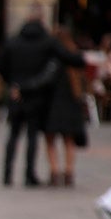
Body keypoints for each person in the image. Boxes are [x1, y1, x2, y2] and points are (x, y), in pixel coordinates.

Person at [0, 4, 67, 187]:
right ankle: (29, 175)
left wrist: (12, 84)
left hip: (15, 93)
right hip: (36, 95)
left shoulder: (13, 41)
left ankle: (7, 174)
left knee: (13, 135)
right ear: (42, 20)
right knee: (32, 136)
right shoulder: (47, 42)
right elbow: (63, 59)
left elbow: (0, 66)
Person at [30, 27, 87, 187]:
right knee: (68, 140)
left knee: (50, 140)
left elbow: (44, 81)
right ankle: (69, 172)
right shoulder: (74, 58)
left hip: (52, 104)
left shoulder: (52, 59)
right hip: (71, 104)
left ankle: (54, 171)